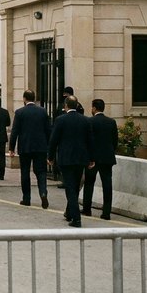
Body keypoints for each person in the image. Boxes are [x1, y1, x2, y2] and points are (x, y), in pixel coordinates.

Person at [48, 95, 94, 228]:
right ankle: (69, 212)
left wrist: (50, 157)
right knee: (75, 186)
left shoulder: (60, 120)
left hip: (66, 159)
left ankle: (76, 218)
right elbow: (90, 141)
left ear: (66, 106)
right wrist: (91, 158)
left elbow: (53, 140)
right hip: (81, 159)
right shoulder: (85, 120)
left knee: (70, 188)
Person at [8, 89, 51, 209]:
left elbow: (15, 131)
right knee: (41, 172)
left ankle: (26, 198)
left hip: (25, 147)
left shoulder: (20, 112)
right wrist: (49, 147)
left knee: (25, 172)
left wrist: (11, 148)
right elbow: (48, 131)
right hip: (40, 147)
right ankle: (43, 193)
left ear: (24, 99)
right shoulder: (43, 111)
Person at [82, 99, 118, 220]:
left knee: (89, 183)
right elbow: (115, 141)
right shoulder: (111, 122)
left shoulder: (89, 121)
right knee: (107, 185)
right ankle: (106, 212)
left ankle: (87, 209)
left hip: (93, 158)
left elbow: (86, 141)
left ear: (94, 108)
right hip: (107, 158)